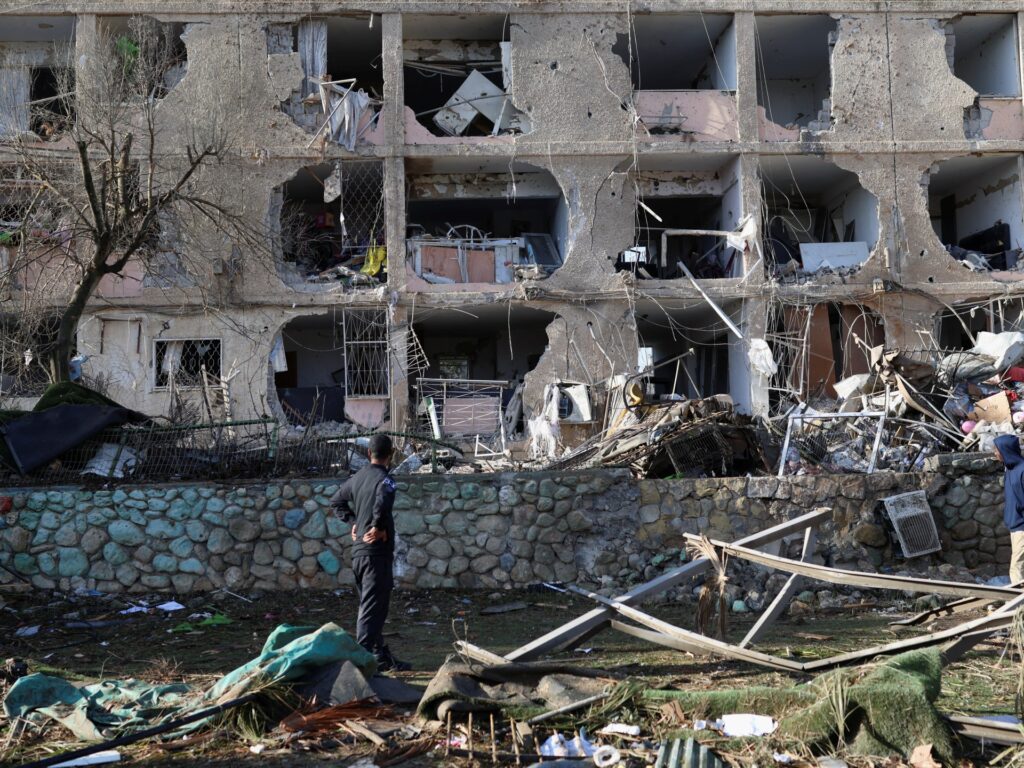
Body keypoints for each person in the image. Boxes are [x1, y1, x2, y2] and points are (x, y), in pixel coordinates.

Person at [329, 433, 410, 671]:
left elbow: (336, 501)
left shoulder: (357, 478)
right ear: (391, 454)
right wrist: (377, 526)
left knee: (372, 607)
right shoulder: (386, 480)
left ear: (368, 453)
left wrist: (353, 522)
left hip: (359, 556)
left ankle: (379, 656)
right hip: (376, 554)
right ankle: (359, 664)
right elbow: (383, 500)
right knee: (372, 609)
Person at [993, 435, 1024, 584]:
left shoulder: (1022, 471)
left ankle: (1018, 598)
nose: (994, 453)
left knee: (1017, 567)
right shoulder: (1010, 470)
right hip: (1015, 526)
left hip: (1022, 526)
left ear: (1006, 450)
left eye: (996, 450)